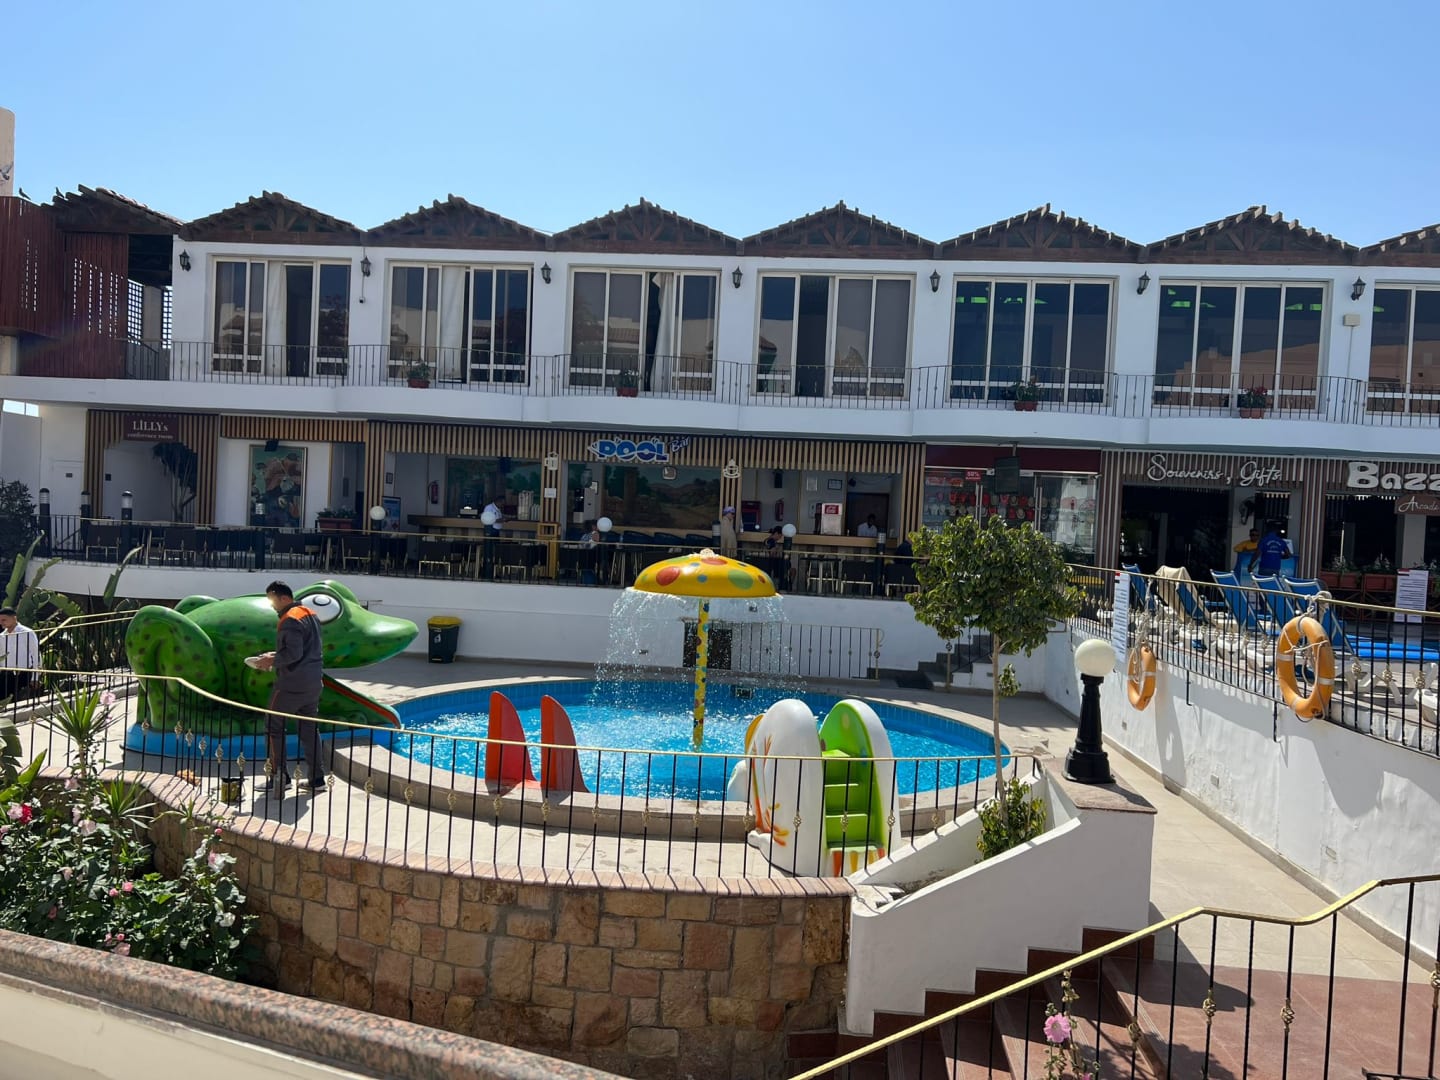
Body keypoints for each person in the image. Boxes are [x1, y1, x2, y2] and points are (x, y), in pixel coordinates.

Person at [253, 581, 326, 795]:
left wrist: (270, 661)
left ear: (284, 598)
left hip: (292, 684)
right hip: (313, 683)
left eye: (272, 600)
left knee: (273, 726)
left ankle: (279, 777)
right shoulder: (309, 614)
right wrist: (275, 655)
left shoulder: (290, 619)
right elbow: (304, 649)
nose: (272, 605)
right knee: (309, 729)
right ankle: (317, 779)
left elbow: (294, 654)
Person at [0, 606, 40, 702]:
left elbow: (36, 655)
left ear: (14, 618)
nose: (1, 623)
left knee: (20, 702)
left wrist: (35, 677)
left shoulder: (27, 632)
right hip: (7, 674)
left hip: (23, 674)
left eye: (4, 620)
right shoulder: (2, 636)